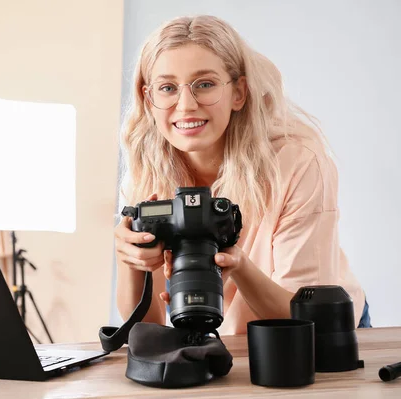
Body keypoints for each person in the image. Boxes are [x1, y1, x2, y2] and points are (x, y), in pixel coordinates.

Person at [114, 15, 371, 335]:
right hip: (227, 335)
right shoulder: (148, 174)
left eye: (204, 84)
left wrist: (237, 265)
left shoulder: (297, 164)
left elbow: (306, 318)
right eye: (168, 88)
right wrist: (131, 261)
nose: (186, 105)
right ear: (149, 98)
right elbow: (147, 326)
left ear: (239, 92)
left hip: (318, 328)